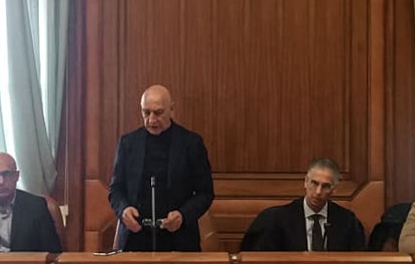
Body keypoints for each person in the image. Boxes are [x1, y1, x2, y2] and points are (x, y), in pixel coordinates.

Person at [108, 85, 214, 252]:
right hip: (135, 237)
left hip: (179, 238)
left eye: (158, 113)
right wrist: (124, 210)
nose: (151, 120)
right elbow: (115, 190)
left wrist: (183, 215)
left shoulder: (191, 143)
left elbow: (205, 193)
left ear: (171, 110)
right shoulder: (128, 143)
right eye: (146, 112)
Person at [240, 158, 366, 252]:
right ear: (305, 182)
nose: (318, 192)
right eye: (314, 183)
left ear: (334, 189)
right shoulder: (275, 219)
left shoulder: (347, 221)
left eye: (325, 186)